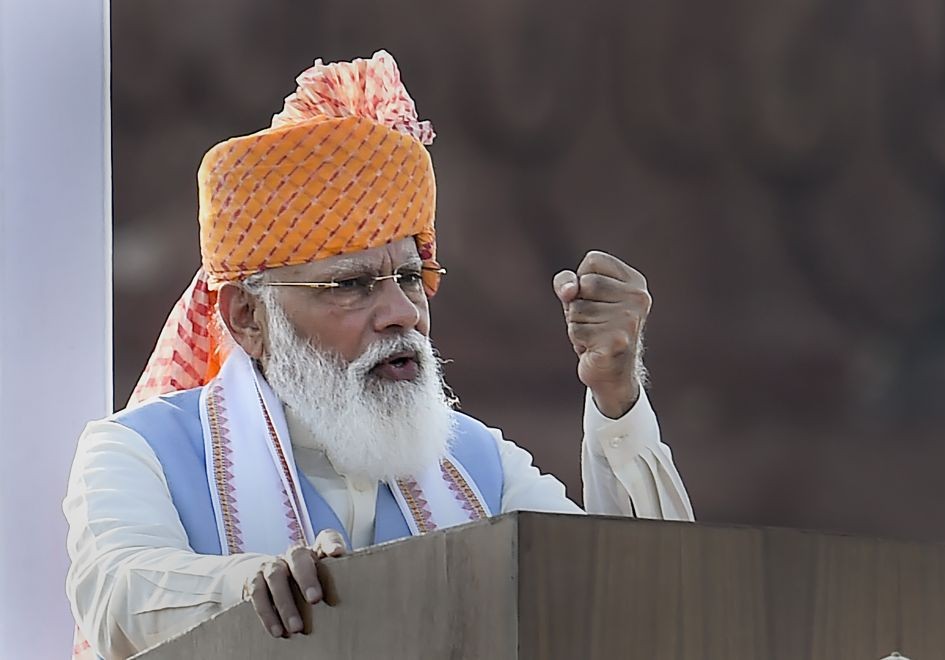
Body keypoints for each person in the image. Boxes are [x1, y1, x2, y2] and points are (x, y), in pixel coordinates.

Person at [64, 50, 693, 660]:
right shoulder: (139, 452)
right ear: (248, 318)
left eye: (412, 277)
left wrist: (617, 397)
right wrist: (256, 585)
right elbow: (120, 593)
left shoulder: (479, 466)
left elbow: (629, 602)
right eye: (351, 284)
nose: (404, 313)